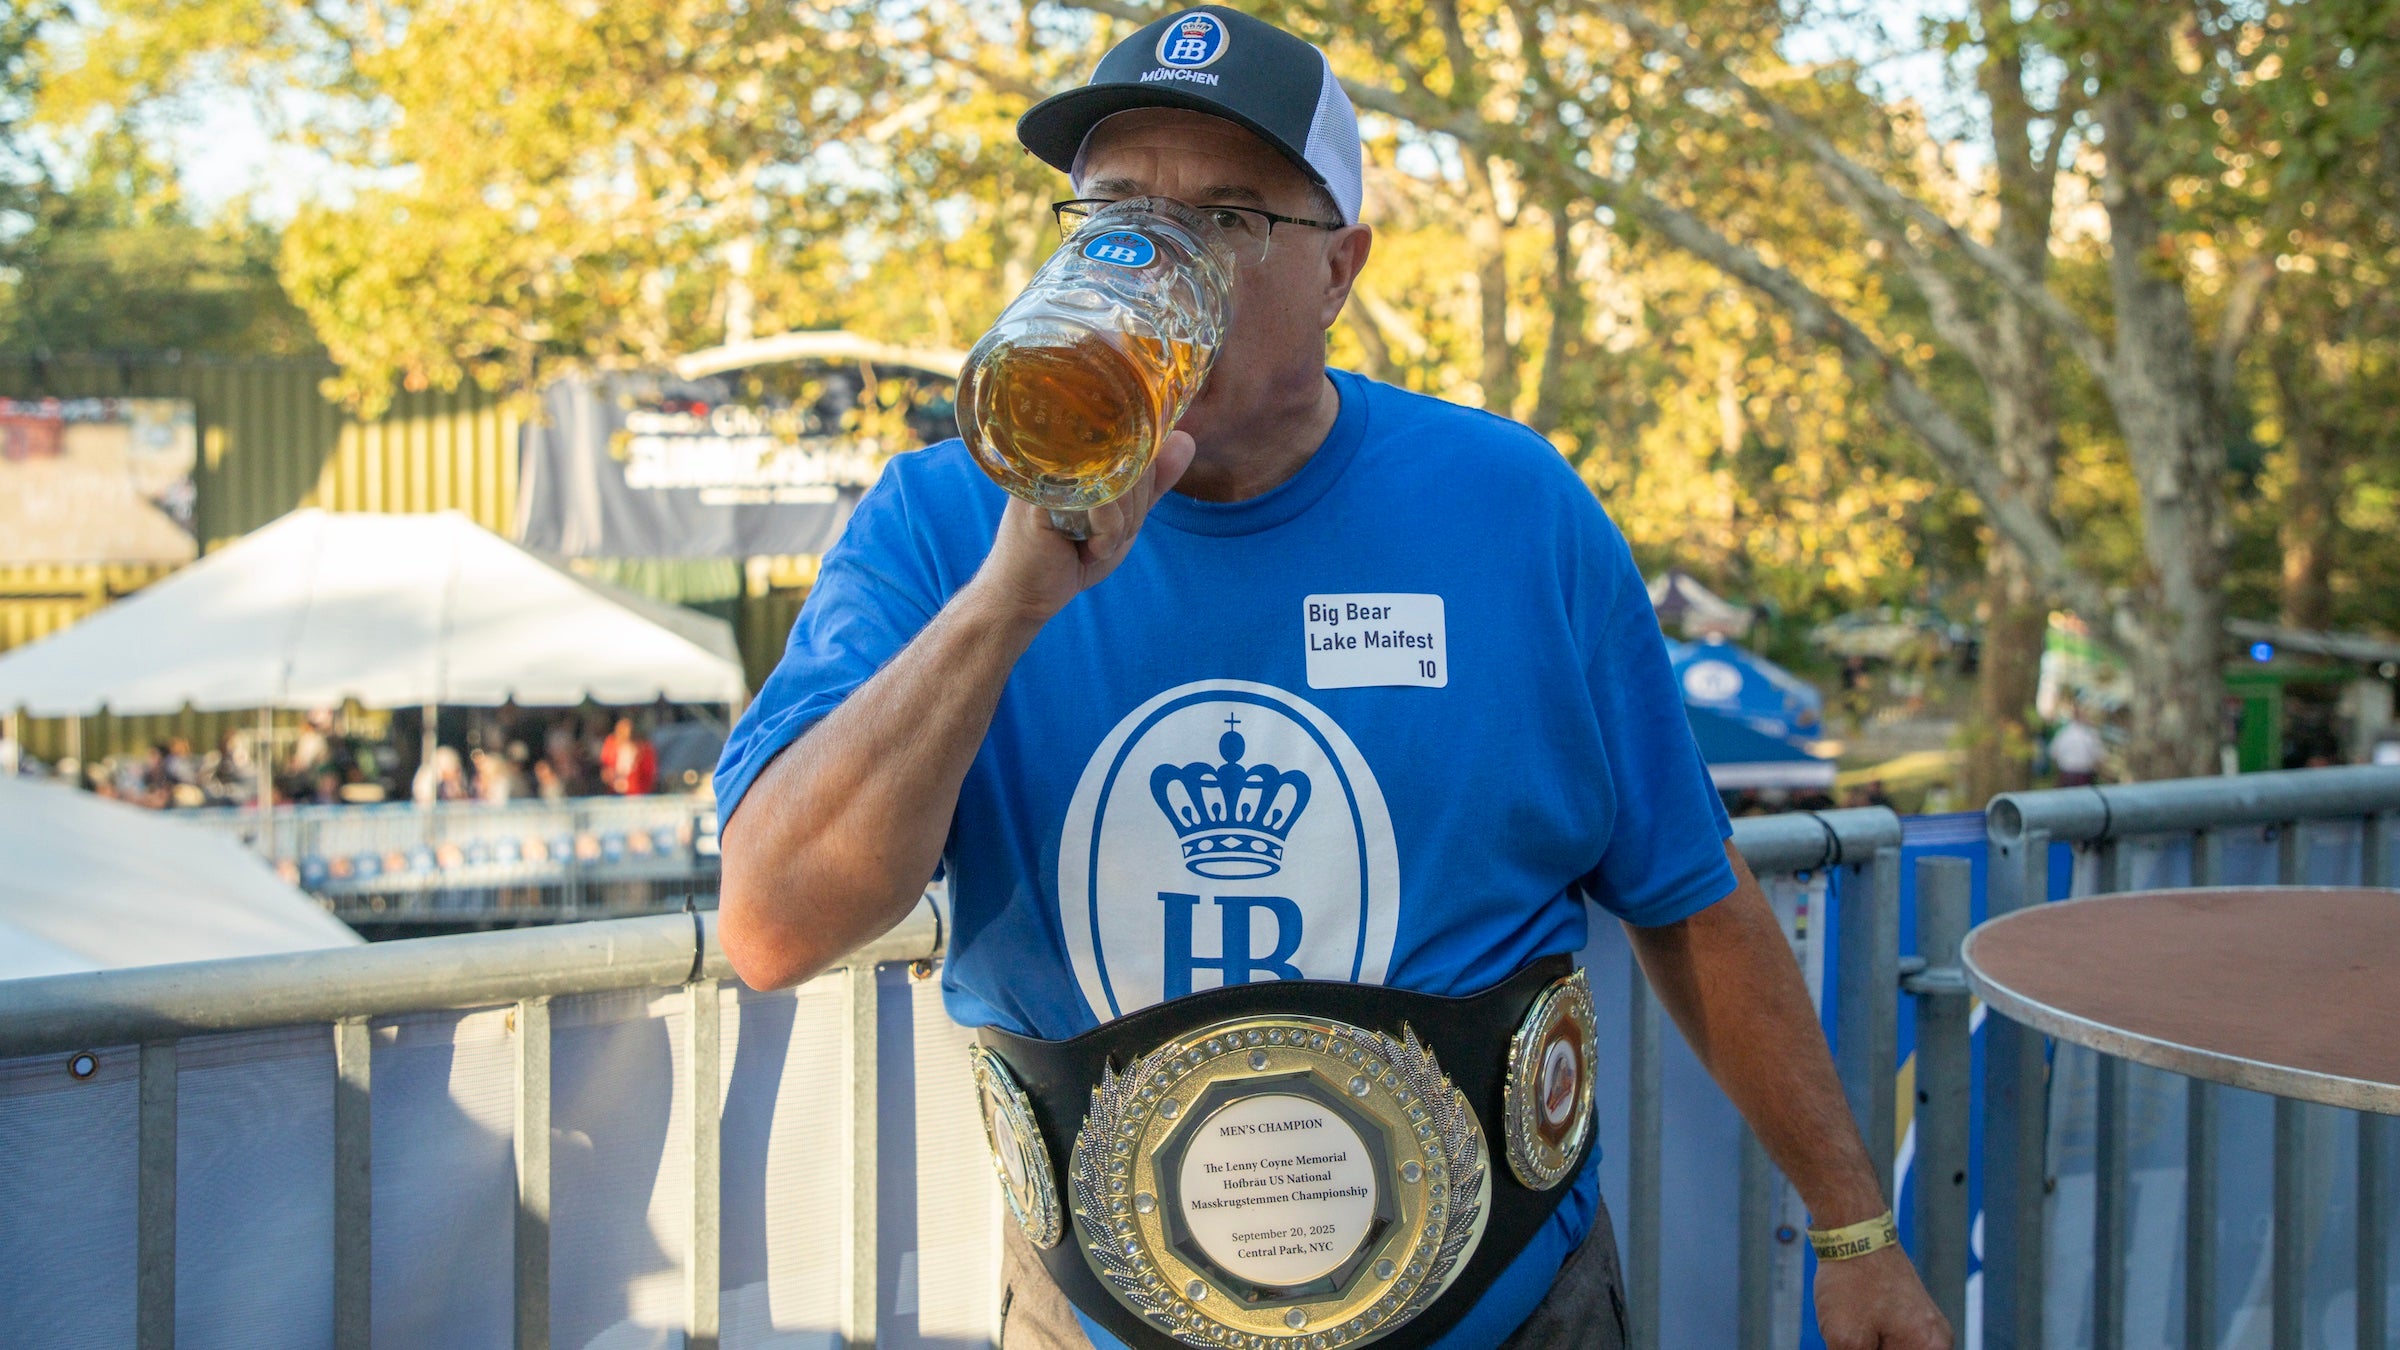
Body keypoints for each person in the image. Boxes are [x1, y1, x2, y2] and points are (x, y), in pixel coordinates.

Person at [713, 10, 1946, 1350]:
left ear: (1342, 266)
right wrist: (1008, 604)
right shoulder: (941, 523)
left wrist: (1855, 1229)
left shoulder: (1510, 508)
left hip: (1515, 1317)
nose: (1158, 259)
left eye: (1232, 216)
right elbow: (773, 926)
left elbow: (1690, 895)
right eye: (1117, 209)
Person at [2049, 706, 2106, 788]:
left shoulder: (2063, 734)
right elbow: (2099, 757)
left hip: (2066, 775)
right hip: (2084, 776)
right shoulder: (2090, 734)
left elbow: (2053, 754)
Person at [600, 715, 658, 796]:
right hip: (614, 793)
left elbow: (649, 773)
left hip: (638, 793)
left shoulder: (644, 749)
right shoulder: (611, 745)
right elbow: (605, 768)